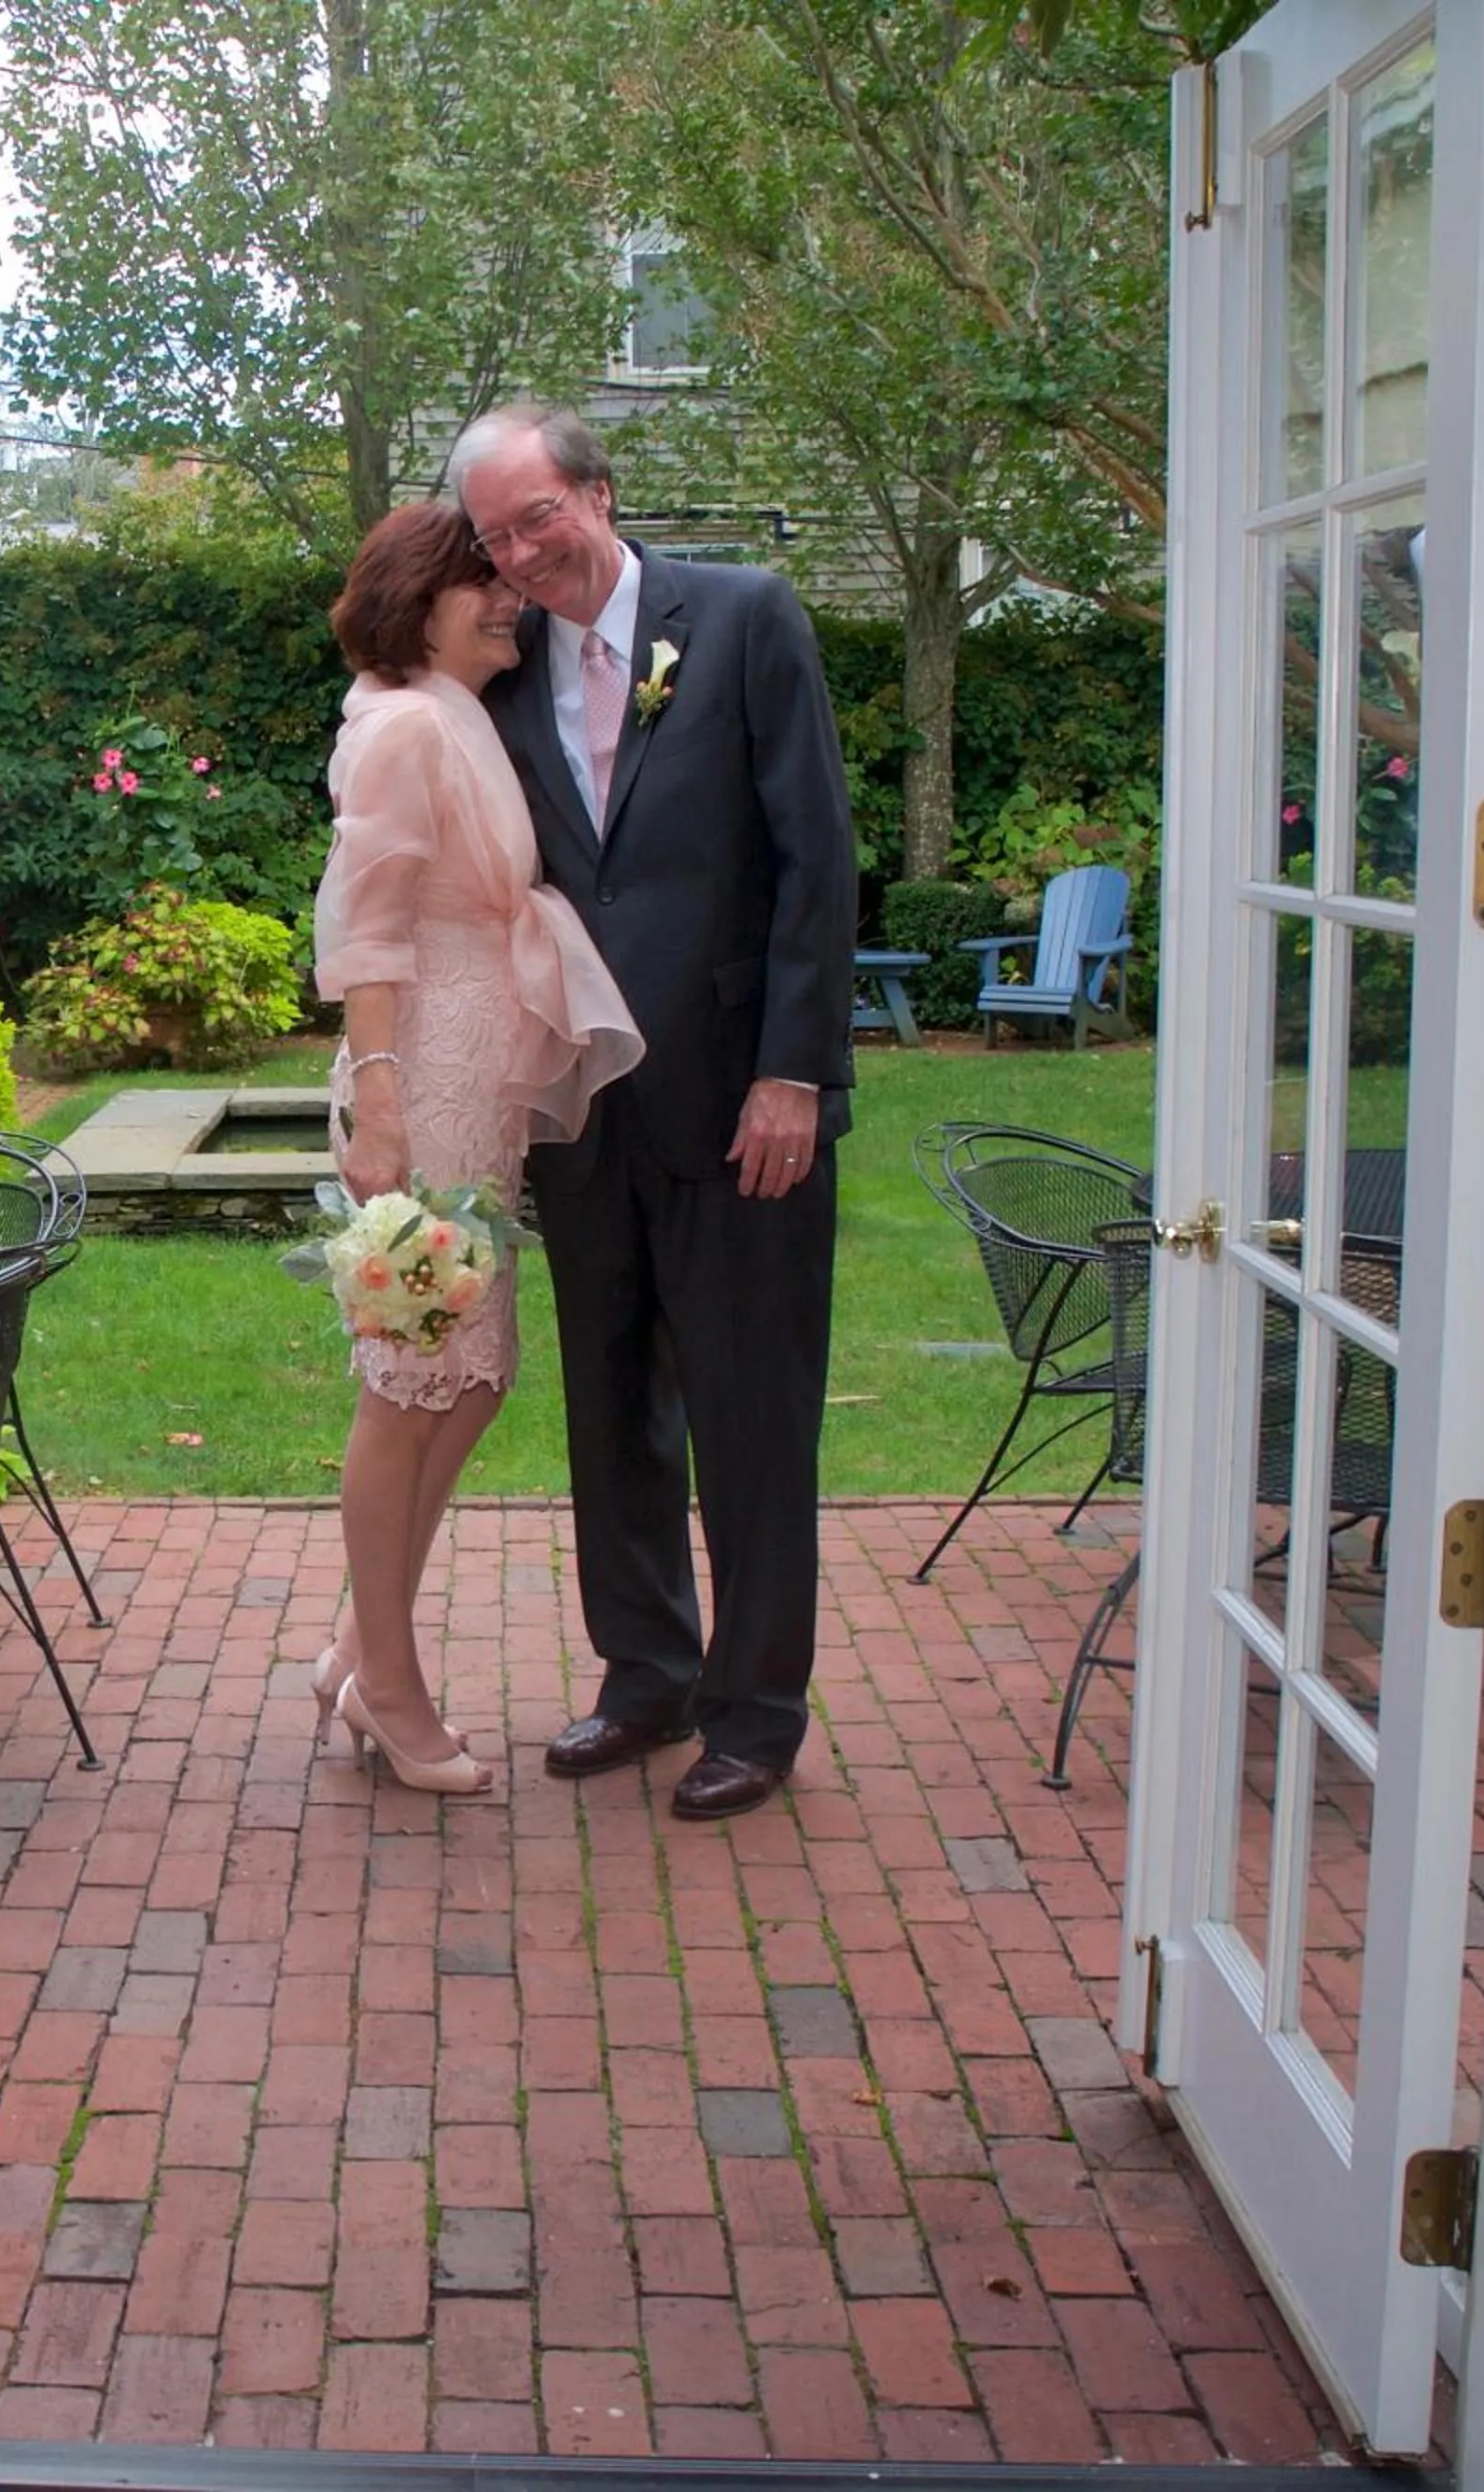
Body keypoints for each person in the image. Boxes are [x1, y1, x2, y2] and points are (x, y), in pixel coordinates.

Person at [450, 406, 857, 1821]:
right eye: (497, 535)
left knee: (752, 1414)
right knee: (611, 1406)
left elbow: (816, 854)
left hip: (747, 1101)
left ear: (599, 494)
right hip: (589, 1109)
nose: (520, 552)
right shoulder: (502, 672)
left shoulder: (743, 620)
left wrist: (796, 1070)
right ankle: (647, 1675)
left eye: (537, 517)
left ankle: (754, 1711)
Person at [312, 501, 642, 1795]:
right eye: (480, 581)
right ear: (417, 595)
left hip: (475, 1085)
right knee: (408, 1383)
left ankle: (353, 1646)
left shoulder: (451, 712)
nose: (509, 596)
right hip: (427, 1086)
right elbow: (366, 925)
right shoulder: (401, 724)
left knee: (473, 1375)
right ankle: (390, 1688)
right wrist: (382, 1106)